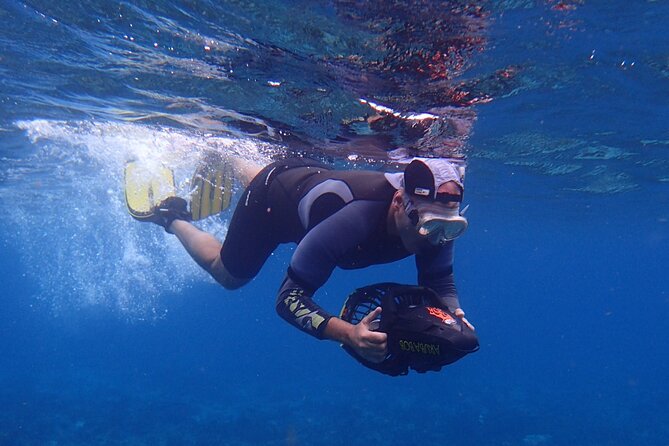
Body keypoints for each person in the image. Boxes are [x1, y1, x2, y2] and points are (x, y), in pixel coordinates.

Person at [149, 156, 474, 364]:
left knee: (283, 182)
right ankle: (172, 217)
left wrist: (452, 312)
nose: (435, 238)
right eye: (428, 224)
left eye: (449, 227)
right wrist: (348, 333)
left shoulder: (434, 226)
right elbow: (287, 298)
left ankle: (236, 161)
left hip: (301, 180)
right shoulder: (358, 217)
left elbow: (439, 280)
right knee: (228, 275)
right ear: (398, 202)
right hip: (271, 205)